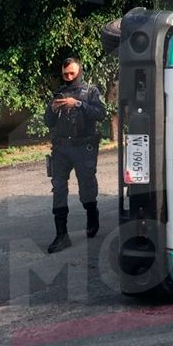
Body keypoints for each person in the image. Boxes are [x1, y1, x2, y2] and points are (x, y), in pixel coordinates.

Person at [44, 57, 105, 253]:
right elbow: (48, 121)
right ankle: (61, 235)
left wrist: (77, 104)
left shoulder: (90, 91)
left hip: (83, 146)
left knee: (86, 185)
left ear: (79, 71)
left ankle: (92, 213)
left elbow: (100, 114)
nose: (69, 77)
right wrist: (53, 109)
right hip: (61, 148)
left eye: (72, 73)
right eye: (65, 74)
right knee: (59, 187)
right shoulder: (59, 93)